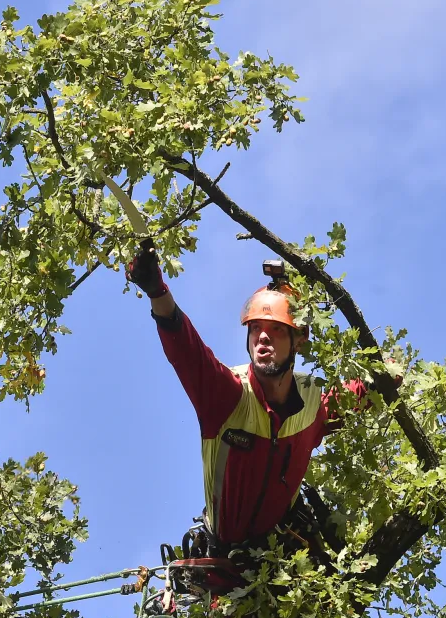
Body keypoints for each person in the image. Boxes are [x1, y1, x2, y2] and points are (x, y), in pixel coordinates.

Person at [126, 239, 390, 557]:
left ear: (298, 341)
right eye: (255, 329)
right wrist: (158, 293)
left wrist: (388, 373)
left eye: (276, 329)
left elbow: (356, 394)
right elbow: (188, 352)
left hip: (285, 563)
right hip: (224, 567)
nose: (262, 336)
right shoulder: (228, 396)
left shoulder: (312, 404)